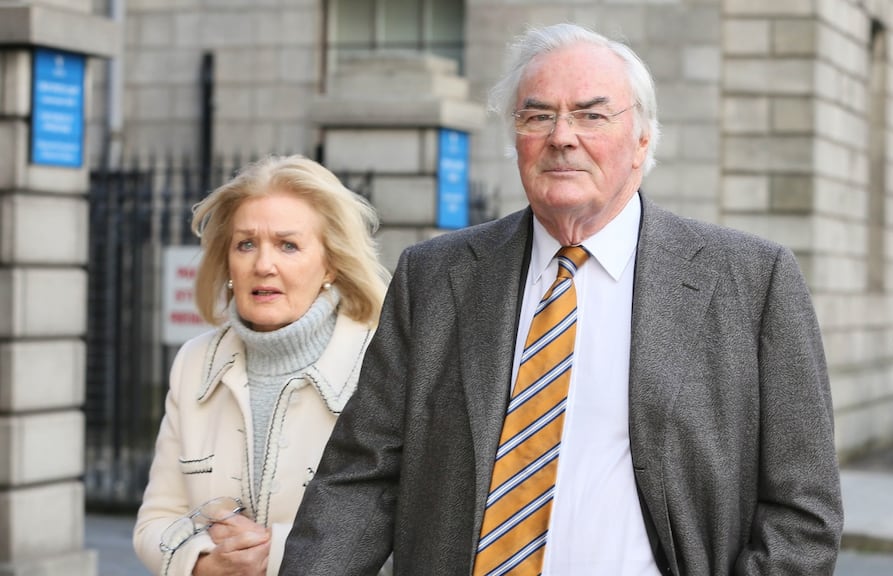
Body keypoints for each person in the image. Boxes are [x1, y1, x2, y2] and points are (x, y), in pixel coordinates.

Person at [281, 22, 843, 576]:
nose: (562, 136)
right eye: (537, 115)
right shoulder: (434, 277)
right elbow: (362, 476)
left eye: (591, 114)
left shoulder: (752, 281)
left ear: (642, 138)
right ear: (516, 137)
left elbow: (802, 513)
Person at [133, 154, 389, 576]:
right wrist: (204, 561)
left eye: (288, 245)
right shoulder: (194, 363)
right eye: (246, 244)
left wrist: (269, 554)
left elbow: (408, 526)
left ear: (329, 264)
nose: (263, 265)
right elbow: (153, 523)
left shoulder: (383, 362)